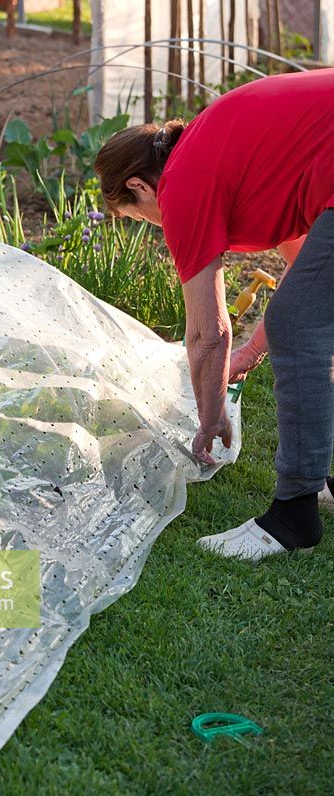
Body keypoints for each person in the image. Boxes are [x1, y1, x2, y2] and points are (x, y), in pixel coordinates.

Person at [94, 68, 334, 561]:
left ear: (140, 185)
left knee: (297, 326)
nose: (154, 224)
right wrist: (252, 350)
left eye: (139, 216)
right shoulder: (221, 148)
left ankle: (293, 518)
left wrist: (210, 417)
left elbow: (208, 334)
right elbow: (307, 269)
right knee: (305, 320)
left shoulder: (183, 182)